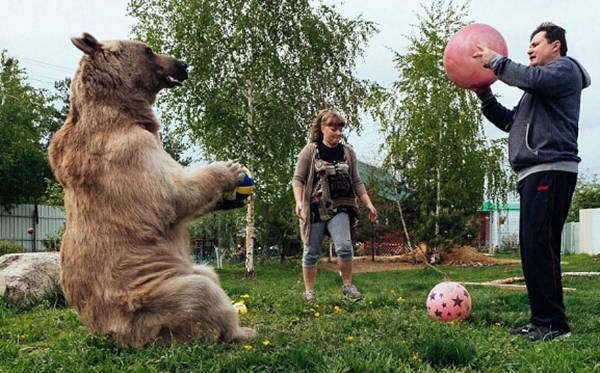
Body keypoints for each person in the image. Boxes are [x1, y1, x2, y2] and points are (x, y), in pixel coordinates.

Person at [472, 22, 591, 341]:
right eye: (529, 44)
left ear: (556, 46)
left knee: (540, 247)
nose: (529, 49)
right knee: (534, 249)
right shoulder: (537, 93)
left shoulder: (564, 71)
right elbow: (511, 122)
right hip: (535, 172)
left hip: (551, 168)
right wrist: (485, 96)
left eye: (536, 43)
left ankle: (552, 324)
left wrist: (496, 62)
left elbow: (529, 77)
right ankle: (543, 320)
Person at [292, 109, 378, 303]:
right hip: (314, 209)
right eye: (333, 129)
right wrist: (299, 202)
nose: (338, 133)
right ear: (323, 128)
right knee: (311, 252)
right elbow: (297, 180)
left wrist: (369, 204)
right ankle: (309, 293)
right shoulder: (310, 151)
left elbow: (357, 182)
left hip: (341, 208)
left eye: (341, 129)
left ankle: (348, 287)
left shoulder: (348, 152)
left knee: (345, 248)